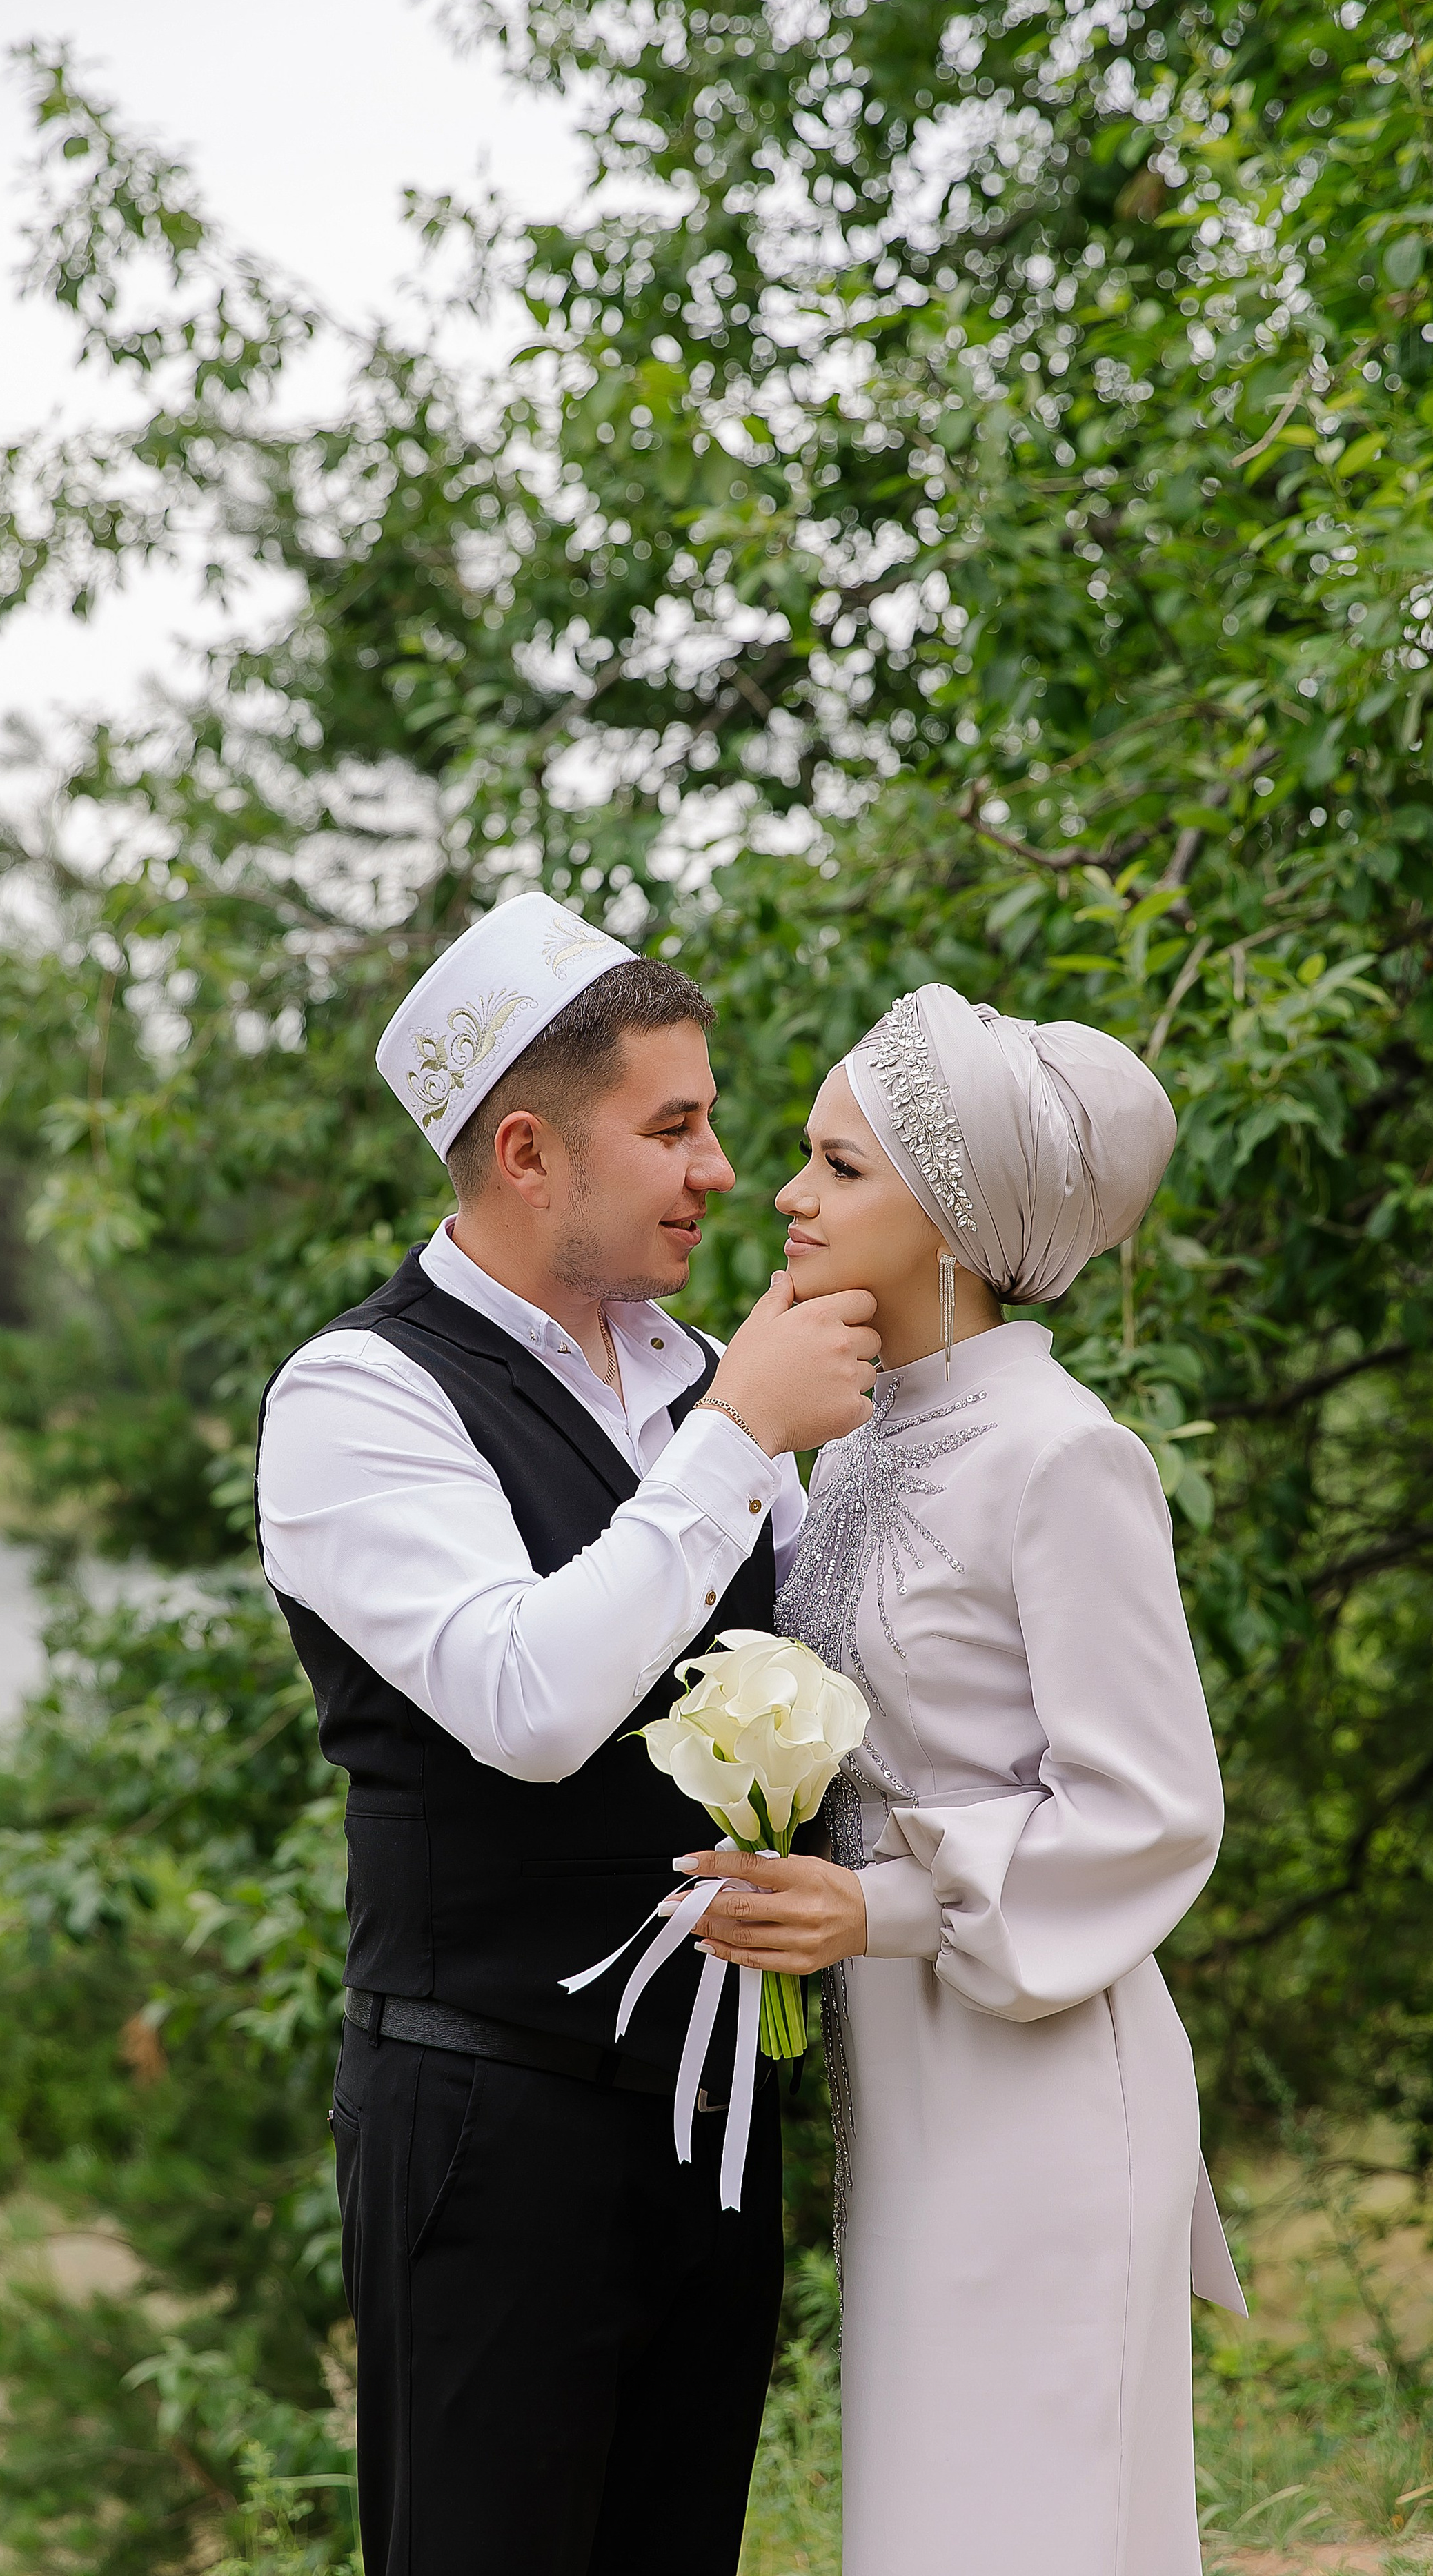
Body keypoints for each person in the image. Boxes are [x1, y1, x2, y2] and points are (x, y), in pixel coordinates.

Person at [254, 892, 880, 2576]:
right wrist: (737, 1435)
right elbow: (525, 1704)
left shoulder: (705, 1381)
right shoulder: (359, 1396)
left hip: (713, 2119)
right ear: (527, 1153)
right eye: (671, 1129)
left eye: (712, 1122)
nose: (720, 1172)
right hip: (488, 2126)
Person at [684, 983, 1246, 2576]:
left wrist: (871, 1909)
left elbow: (1149, 1809)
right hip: (904, 2076)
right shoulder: (853, 1443)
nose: (785, 1196)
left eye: (836, 1165)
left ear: (951, 1214)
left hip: (1040, 2079)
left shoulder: (1060, 1454)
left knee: (1021, 2523)